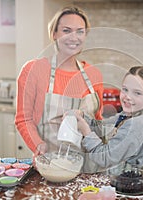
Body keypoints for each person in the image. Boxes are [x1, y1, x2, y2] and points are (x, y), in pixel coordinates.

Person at [15, 6, 104, 155]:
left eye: (80, 31)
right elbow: (23, 119)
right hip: (49, 163)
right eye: (66, 30)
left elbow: (97, 120)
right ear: (54, 34)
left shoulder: (94, 74)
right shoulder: (33, 70)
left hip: (89, 167)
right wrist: (38, 145)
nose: (74, 37)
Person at [73, 66, 143, 173]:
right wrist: (82, 116)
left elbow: (105, 158)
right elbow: (101, 127)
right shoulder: (126, 115)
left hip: (124, 185)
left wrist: (85, 132)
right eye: (125, 89)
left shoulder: (137, 124)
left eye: (137, 93)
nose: (128, 96)